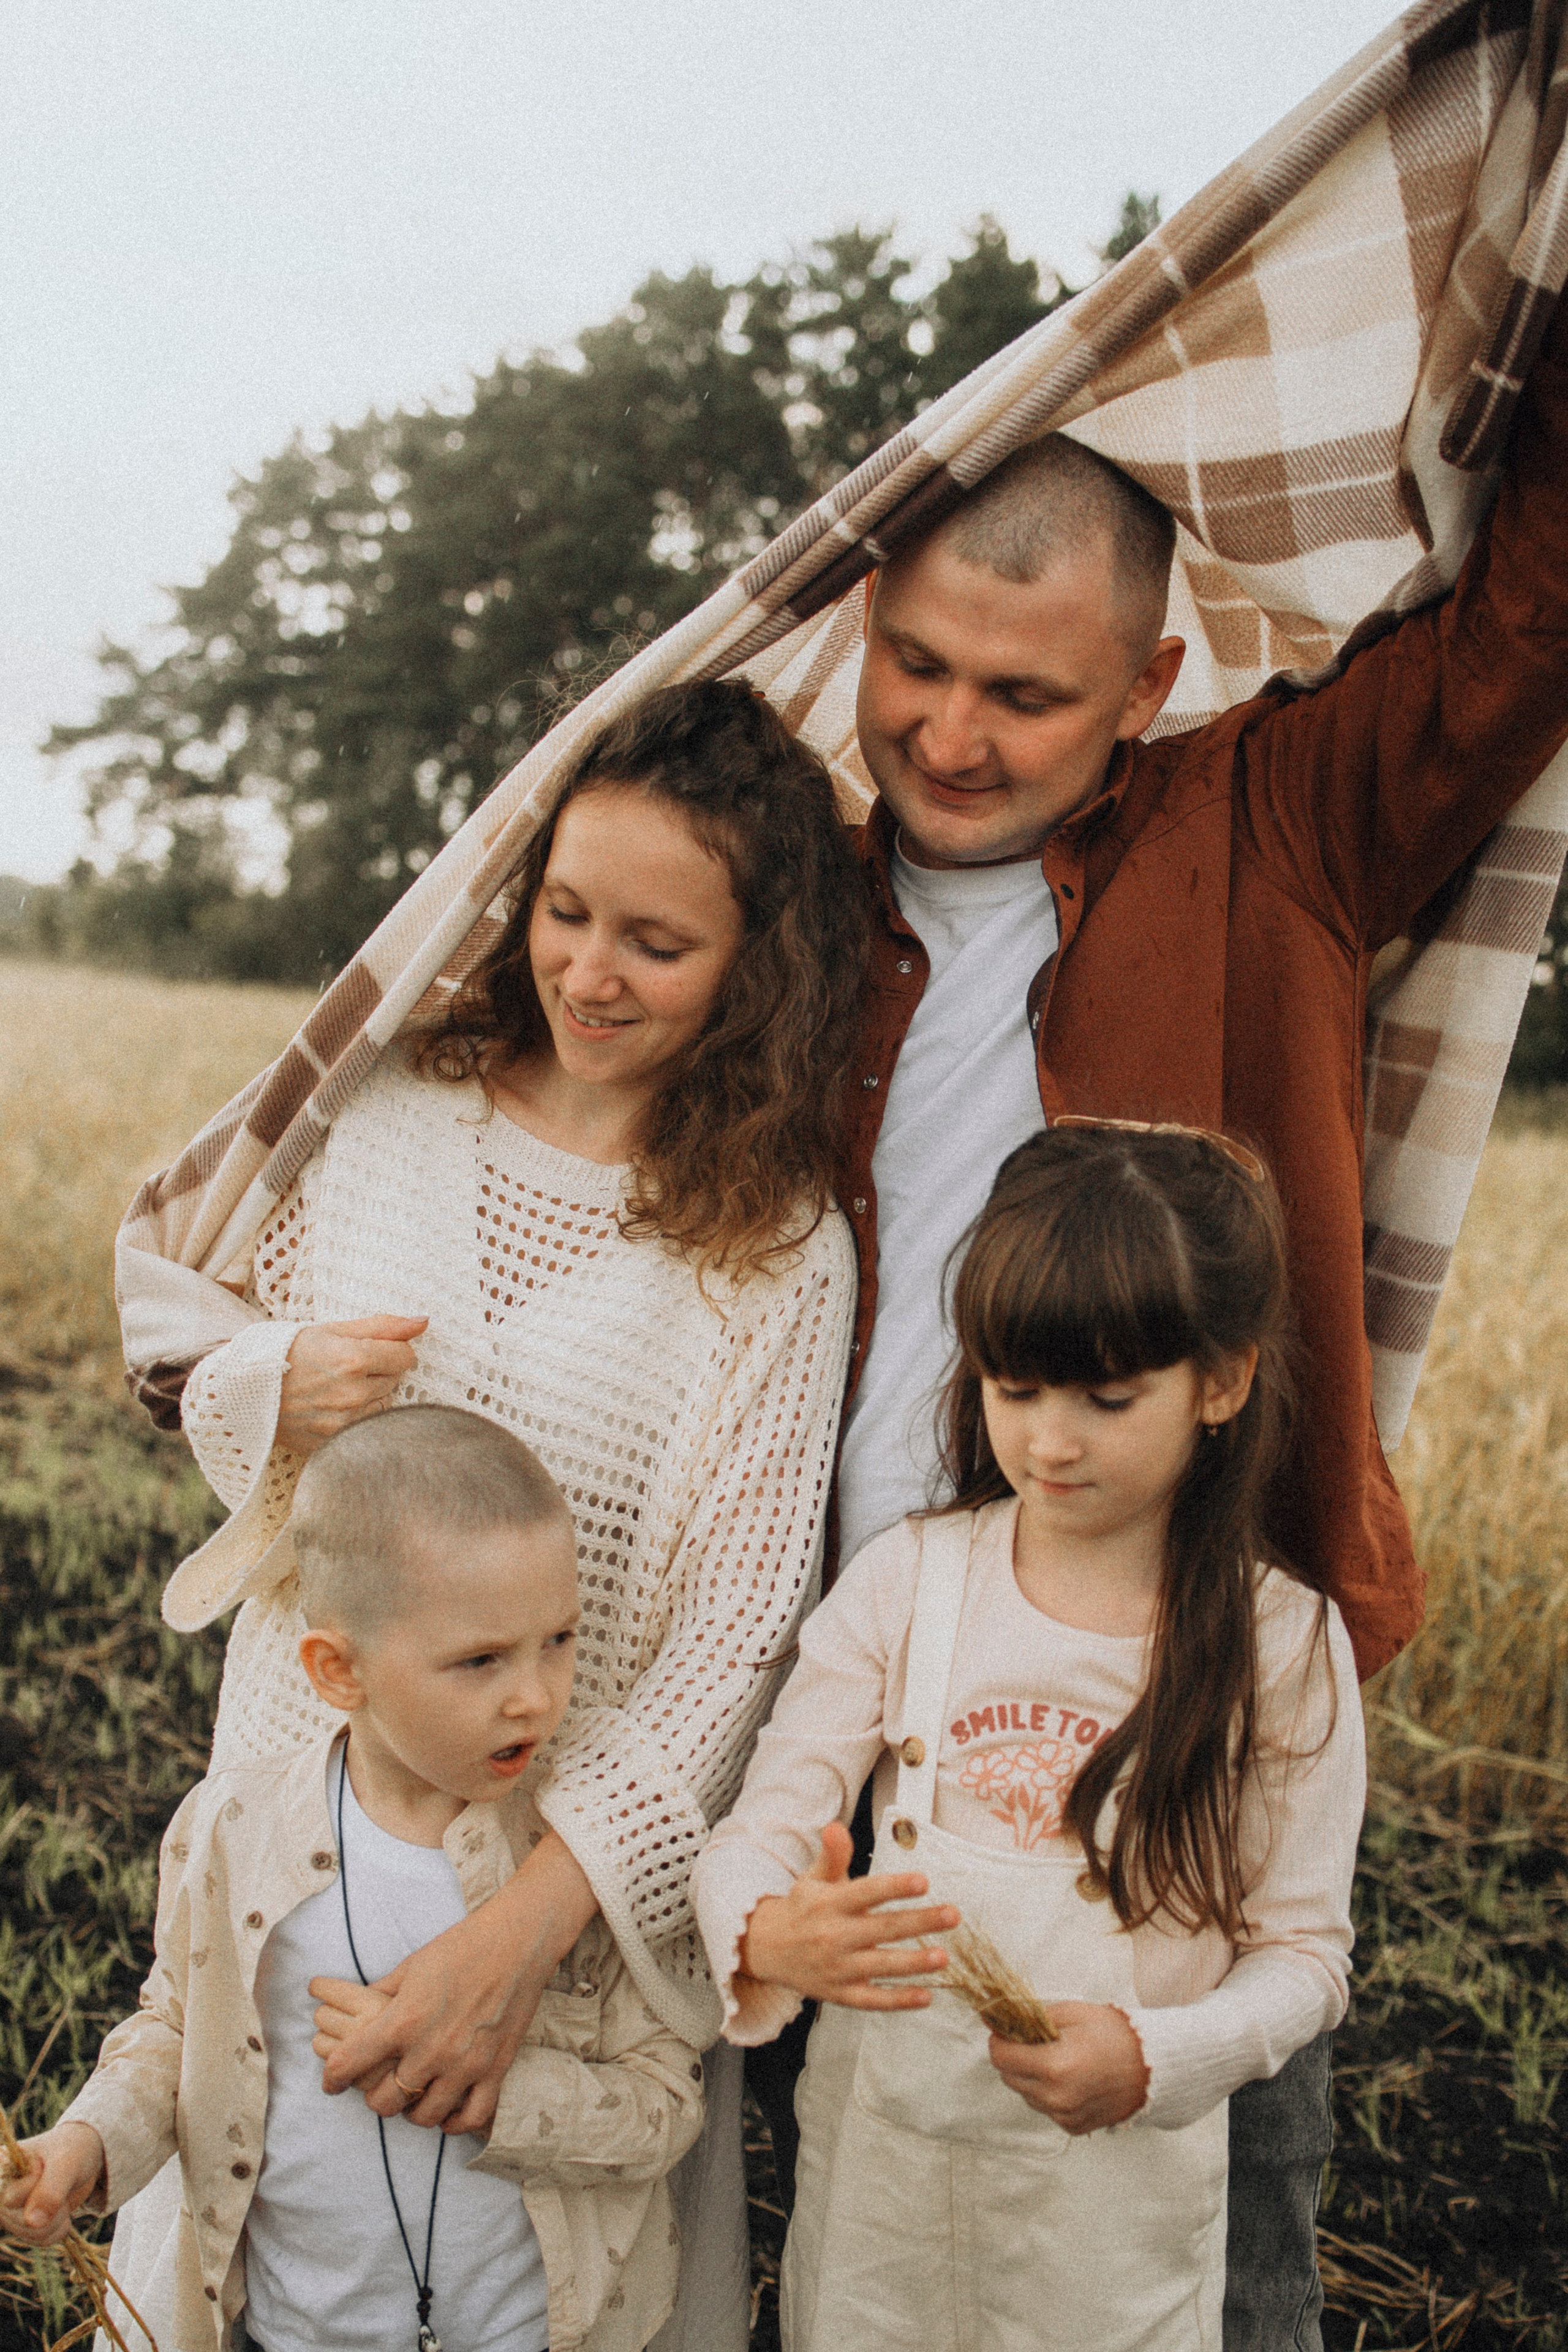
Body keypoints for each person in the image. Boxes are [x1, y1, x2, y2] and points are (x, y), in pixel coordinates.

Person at [772, 288, 1568, 2343]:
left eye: (1023, 698)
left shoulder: (1271, 819)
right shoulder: (788, 907)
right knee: (895, 2229)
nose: (950, 733)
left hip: (1201, 1694)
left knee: (1205, 2256)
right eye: (915, 664)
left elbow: (1518, 642)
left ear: (1148, 684)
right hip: (886, 1693)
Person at [108, 680, 864, 2351]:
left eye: (656, 944)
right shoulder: (381, 1118)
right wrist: (269, 1387)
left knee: (530, 2285)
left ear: (761, 963)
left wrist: (529, 1933)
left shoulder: (774, 1254)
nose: (589, 971)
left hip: (564, 1912)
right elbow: (197, 1335)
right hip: (300, 1812)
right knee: (260, 2232)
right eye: (566, 911)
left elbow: (737, 1640)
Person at [693, 1125, 1366, 2352]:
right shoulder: (910, 1582)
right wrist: (766, 1928)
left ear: (1218, 1383)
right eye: (1016, 1390)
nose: (1050, 1442)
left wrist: (1159, 2056)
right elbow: (760, 1830)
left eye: (1107, 1400)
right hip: (886, 2202)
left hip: (1111, 2215)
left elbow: (1305, 1958)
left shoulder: (1281, 1644)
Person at [1, 1406, 708, 2352]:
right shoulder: (233, 1831)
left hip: (532, 2333)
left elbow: (668, 2104)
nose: (536, 1694)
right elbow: (176, 2034)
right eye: (481, 1659)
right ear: (339, 1670)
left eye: (561, 1640)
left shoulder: (573, 1854)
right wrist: (86, 2147)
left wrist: (500, 2096)